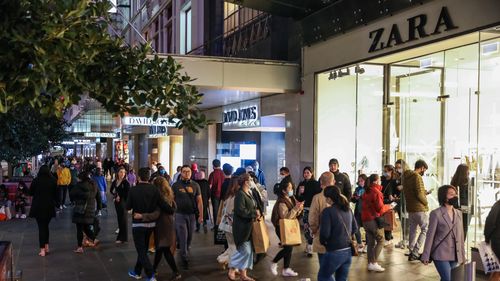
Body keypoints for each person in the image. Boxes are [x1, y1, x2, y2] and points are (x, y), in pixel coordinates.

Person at [136, 177, 181, 281]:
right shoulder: (169, 195)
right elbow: (174, 207)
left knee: (164, 249)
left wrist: (143, 216)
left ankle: (176, 272)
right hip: (168, 224)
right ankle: (154, 269)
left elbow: (156, 214)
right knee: (160, 248)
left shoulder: (158, 198)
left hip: (161, 225)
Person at [126, 167, 165, 281]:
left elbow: (128, 207)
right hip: (151, 225)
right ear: (149, 177)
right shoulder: (154, 189)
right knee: (143, 249)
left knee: (141, 251)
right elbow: (161, 204)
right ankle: (137, 271)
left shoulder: (133, 190)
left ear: (138, 177)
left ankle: (150, 274)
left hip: (138, 225)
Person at [421, 185, 465, 281]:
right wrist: (425, 255)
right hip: (440, 253)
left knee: (448, 278)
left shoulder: (459, 213)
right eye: (451, 194)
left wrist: (462, 255)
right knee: (448, 279)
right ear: (444, 197)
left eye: (455, 194)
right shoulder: (436, 214)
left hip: (455, 254)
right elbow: (430, 236)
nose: (455, 196)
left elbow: (460, 236)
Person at [318, 185, 358, 281]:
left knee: (324, 276)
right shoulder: (348, 209)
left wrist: (324, 242)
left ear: (329, 198)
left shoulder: (328, 211)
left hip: (334, 251)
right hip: (348, 250)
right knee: (342, 279)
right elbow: (355, 228)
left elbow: (325, 234)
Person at [227, 173, 259, 281]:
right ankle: (232, 267)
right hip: (242, 228)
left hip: (248, 227)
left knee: (248, 251)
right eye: (250, 179)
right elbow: (240, 211)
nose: (252, 181)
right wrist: (254, 213)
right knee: (245, 251)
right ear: (246, 182)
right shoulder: (240, 194)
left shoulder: (248, 192)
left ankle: (243, 275)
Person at [270, 177, 304, 277]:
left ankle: (286, 269)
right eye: (289, 188)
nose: (291, 189)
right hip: (281, 228)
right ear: (284, 190)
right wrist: (296, 208)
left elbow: (294, 214)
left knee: (289, 247)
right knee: (288, 248)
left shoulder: (291, 198)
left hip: (288, 227)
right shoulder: (281, 202)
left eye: (291, 187)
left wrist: (299, 209)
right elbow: (285, 217)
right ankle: (274, 262)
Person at [171, 165, 203, 269]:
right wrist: (172, 213)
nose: (187, 173)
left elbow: (199, 201)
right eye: (184, 171)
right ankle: (184, 257)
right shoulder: (175, 185)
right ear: (181, 173)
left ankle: (185, 248)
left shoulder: (195, 185)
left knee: (189, 236)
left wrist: (201, 215)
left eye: (188, 171)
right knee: (183, 235)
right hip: (180, 214)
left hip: (192, 214)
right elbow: (171, 200)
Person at [361, 173, 392, 272]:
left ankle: (371, 262)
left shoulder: (367, 191)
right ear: (376, 181)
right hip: (373, 220)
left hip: (365, 220)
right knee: (381, 240)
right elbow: (380, 209)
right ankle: (373, 263)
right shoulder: (376, 192)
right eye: (379, 180)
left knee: (370, 242)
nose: (381, 181)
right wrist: (389, 206)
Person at [403, 160, 430, 261]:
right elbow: (419, 194)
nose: (424, 172)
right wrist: (426, 202)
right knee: (425, 229)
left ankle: (411, 250)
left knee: (413, 230)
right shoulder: (417, 177)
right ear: (422, 167)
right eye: (425, 169)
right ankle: (415, 251)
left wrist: (423, 193)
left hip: (410, 208)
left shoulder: (406, 177)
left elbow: (412, 192)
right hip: (419, 208)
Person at [70, 170, 102, 254]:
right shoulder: (94, 184)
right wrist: (99, 208)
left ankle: (80, 247)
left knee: (79, 229)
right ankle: (94, 239)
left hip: (80, 210)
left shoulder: (79, 185)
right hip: (90, 210)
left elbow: (71, 193)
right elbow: (98, 197)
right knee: (86, 227)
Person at [28, 165, 58, 256]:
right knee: (46, 226)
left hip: (38, 207)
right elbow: (56, 194)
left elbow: (31, 192)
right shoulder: (53, 180)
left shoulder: (36, 181)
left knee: (41, 227)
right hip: (49, 206)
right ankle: (47, 246)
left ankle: (42, 250)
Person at [309, 172, 335, 264]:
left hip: (322, 236)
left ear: (321, 183)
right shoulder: (341, 197)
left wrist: (314, 230)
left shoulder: (317, 198)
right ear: (333, 182)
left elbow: (313, 217)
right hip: (339, 240)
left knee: (324, 269)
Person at [295, 166, 321, 257]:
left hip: (314, 208)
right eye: (305, 173)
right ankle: (308, 244)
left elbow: (319, 195)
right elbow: (298, 196)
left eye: (308, 173)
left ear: (312, 173)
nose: (306, 174)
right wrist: (299, 194)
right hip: (304, 208)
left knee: (312, 227)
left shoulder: (316, 183)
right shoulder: (301, 184)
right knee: (306, 227)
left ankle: (310, 246)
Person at [217, 177, 239, 268]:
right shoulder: (235, 197)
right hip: (231, 225)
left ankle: (223, 260)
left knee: (231, 246)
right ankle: (232, 266)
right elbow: (230, 211)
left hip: (226, 224)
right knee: (234, 246)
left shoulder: (228, 195)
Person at [450, 164, 472, 238]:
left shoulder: (453, 181)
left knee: (456, 227)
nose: (469, 172)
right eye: (468, 170)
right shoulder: (467, 180)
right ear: (465, 171)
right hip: (465, 207)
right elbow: (468, 195)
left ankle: (456, 245)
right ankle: (461, 246)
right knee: (464, 228)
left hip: (455, 207)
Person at [110, 167, 130, 243]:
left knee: (123, 220)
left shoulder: (126, 182)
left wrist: (120, 196)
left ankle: (123, 238)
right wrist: (115, 195)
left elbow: (128, 193)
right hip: (117, 203)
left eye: (124, 172)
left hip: (123, 203)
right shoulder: (115, 181)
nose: (122, 174)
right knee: (120, 219)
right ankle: (121, 237)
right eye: (121, 172)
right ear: (117, 173)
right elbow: (111, 190)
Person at [381, 164, 398, 245]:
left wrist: (394, 195)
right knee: (386, 219)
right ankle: (389, 237)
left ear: (391, 171)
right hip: (384, 201)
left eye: (386, 171)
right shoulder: (382, 179)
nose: (385, 172)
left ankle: (388, 238)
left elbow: (397, 191)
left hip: (392, 202)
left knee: (388, 218)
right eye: (384, 171)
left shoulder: (394, 180)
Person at [485, 198, 500, 281]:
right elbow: (490, 222)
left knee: (497, 269)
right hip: (498, 241)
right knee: (497, 270)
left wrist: (487, 237)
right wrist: (487, 237)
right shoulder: (498, 205)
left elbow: (490, 222)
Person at [352, 174, 367, 253]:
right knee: (356, 228)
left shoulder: (368, 189)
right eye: (359, 181)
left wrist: (361, 197)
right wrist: (354, 197)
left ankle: (367, 244)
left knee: (367, 228)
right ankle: (359, 243)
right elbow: (354, 199)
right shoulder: (357, 189)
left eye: (362, 181)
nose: (360, 182)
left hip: (365, 211)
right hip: (358, 211)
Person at [208, 159, 225, 228]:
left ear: (213, 165)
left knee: (215, 210)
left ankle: (216, 225)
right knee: (222, 210)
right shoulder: (223, 173)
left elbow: (210, 185)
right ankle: (222, 225)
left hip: (215, 195)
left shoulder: (212, 174)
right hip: (223, 195)